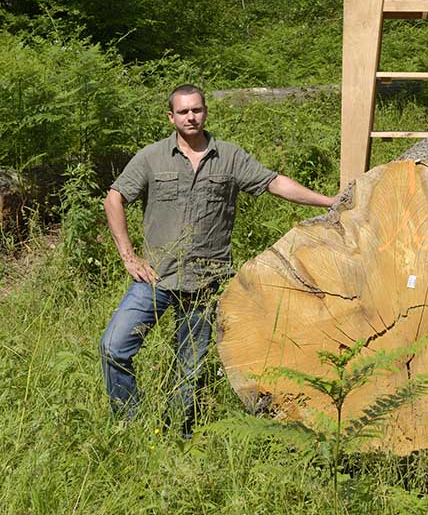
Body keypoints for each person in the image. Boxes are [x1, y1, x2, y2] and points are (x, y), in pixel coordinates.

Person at [99, 84, 336, 437]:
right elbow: (114, 198)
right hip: (155, 280)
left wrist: (329, 201)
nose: (190, 117)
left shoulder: (229, 157)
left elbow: (274, 183)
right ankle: (130, 425)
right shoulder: (151, 158)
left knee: (188, 369)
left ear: (205, 111)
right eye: (183, 112)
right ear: (171, 117)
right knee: (113, 348)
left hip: (205, 282)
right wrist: (129, 256)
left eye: (196, 110)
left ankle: (176, 435)